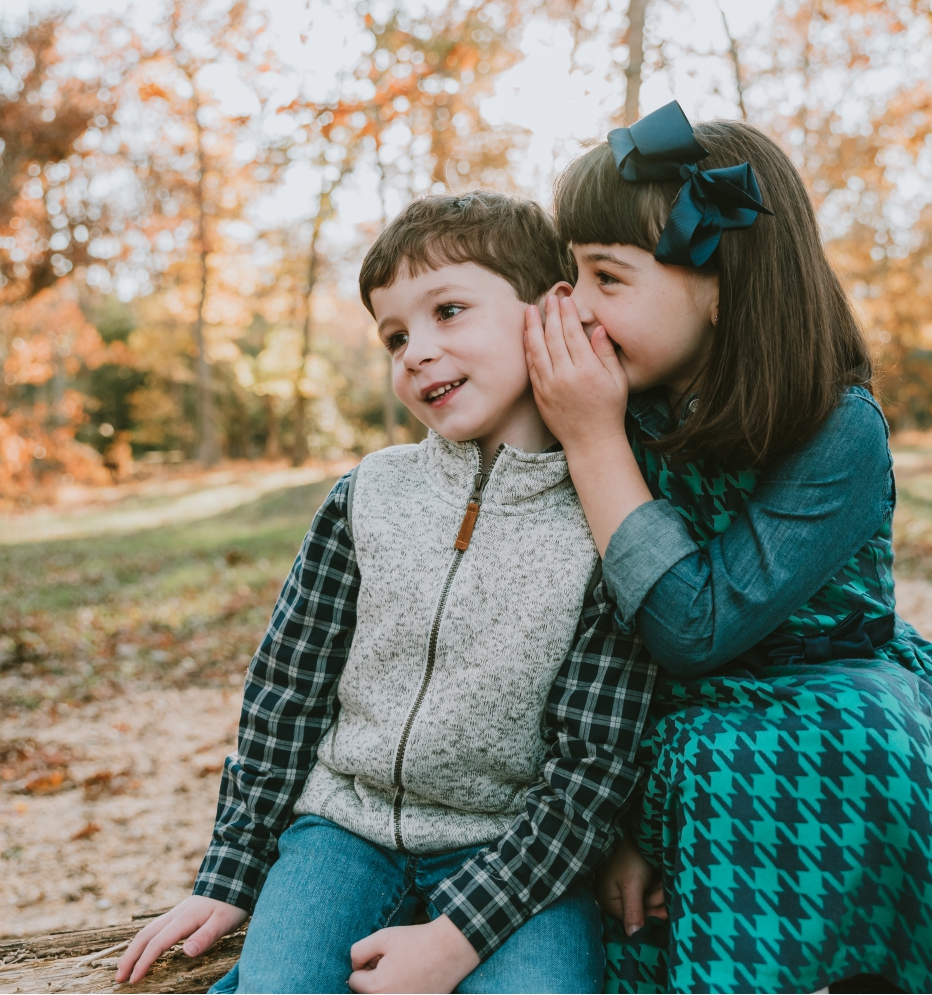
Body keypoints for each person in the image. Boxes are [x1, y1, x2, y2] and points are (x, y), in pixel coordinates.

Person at [525, 101, 932, 993]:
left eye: (607, 278)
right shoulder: (611, 406)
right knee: (711, 755)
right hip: (662, 721)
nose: (577, 310)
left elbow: (698, 624)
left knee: (845, 733)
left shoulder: (837, 429)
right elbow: (603, 647)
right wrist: (621, 827)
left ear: (721, 286)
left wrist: (595, 445)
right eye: (573, 275)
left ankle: (904, 950)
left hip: (833, 683)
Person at [115, 193, 656, 994]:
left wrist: (459, 937)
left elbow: (595, 762)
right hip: (342, 832)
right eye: (396, 335)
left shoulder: (609, 515)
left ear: (550, 312)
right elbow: (285, 690)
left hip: (514, 851)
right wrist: (229, 872)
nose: (415, 351)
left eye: (448, 310)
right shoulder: (367, 495)